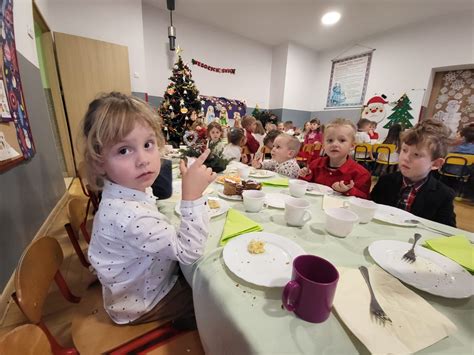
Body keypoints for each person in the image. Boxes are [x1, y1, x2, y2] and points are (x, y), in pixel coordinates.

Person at [81, 92, 216, 327]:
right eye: (124, 150)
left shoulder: (128, 189)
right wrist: (192, 197)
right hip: (142, 303)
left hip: (133, 287)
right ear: (99, 162)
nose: (143, 159)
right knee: (213, 301)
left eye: (148, 144)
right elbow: (189, 252)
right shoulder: (129, 215)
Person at [371, 119, 456, 226]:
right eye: (404, 150)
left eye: (416, 155)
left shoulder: (443, 195)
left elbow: (447, 231)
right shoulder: (385, 181)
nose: (406, 158)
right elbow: (371, 210)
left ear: (436, 164)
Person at [299, 118, 371, 198]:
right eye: (330, 140)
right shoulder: (314, 165)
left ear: (352, 146)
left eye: (342, 140)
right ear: (323, 145)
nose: (335, 144)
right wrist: (305, 176)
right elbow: (305, 189)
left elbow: (364, 199)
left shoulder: (361, 174)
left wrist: (348, 190)